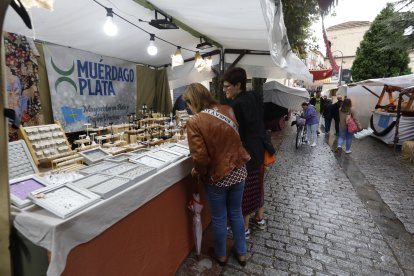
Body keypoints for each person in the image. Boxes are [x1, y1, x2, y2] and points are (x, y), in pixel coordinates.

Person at [183, 83, 249, 267]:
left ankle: (220, 255)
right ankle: (242, 253)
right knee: (236, 212)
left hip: (218, 176)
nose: (188, 108)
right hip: (239, 170)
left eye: (188, 103)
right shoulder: (227, 109)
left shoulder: (195, 121)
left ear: (193, 101)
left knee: (219, 217)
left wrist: (198, 172)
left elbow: (200, 157)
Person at [222, 67, 267, 239]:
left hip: (245, 153)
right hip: (258, 149)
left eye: (227, 86)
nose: (224, 89)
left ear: (238, 85)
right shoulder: (254, 97)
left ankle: (244, 229)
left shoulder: (237, 105)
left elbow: (235, 133)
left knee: (244, 191)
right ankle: (257, 219)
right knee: (256, 186)